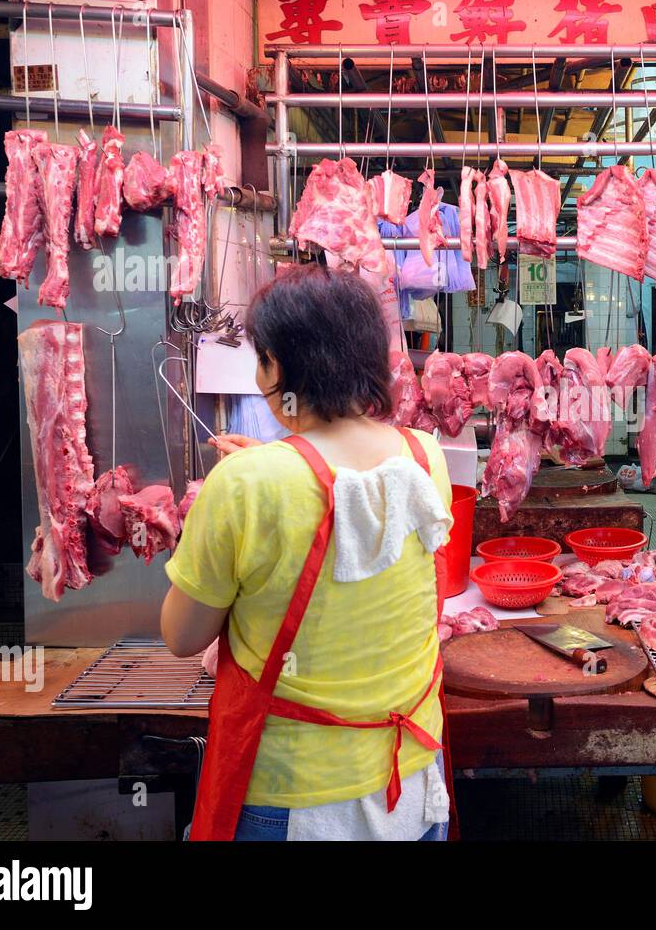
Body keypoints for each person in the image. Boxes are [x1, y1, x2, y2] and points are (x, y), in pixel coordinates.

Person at [161, 265, 455, 841]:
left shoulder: (246, 485)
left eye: (261, 359)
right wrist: (267, 465)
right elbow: (340, 485)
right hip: (415, 784)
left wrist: (241, 489)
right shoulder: (425, 457)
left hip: (293, 801)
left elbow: (182, 636)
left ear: (278, 367)